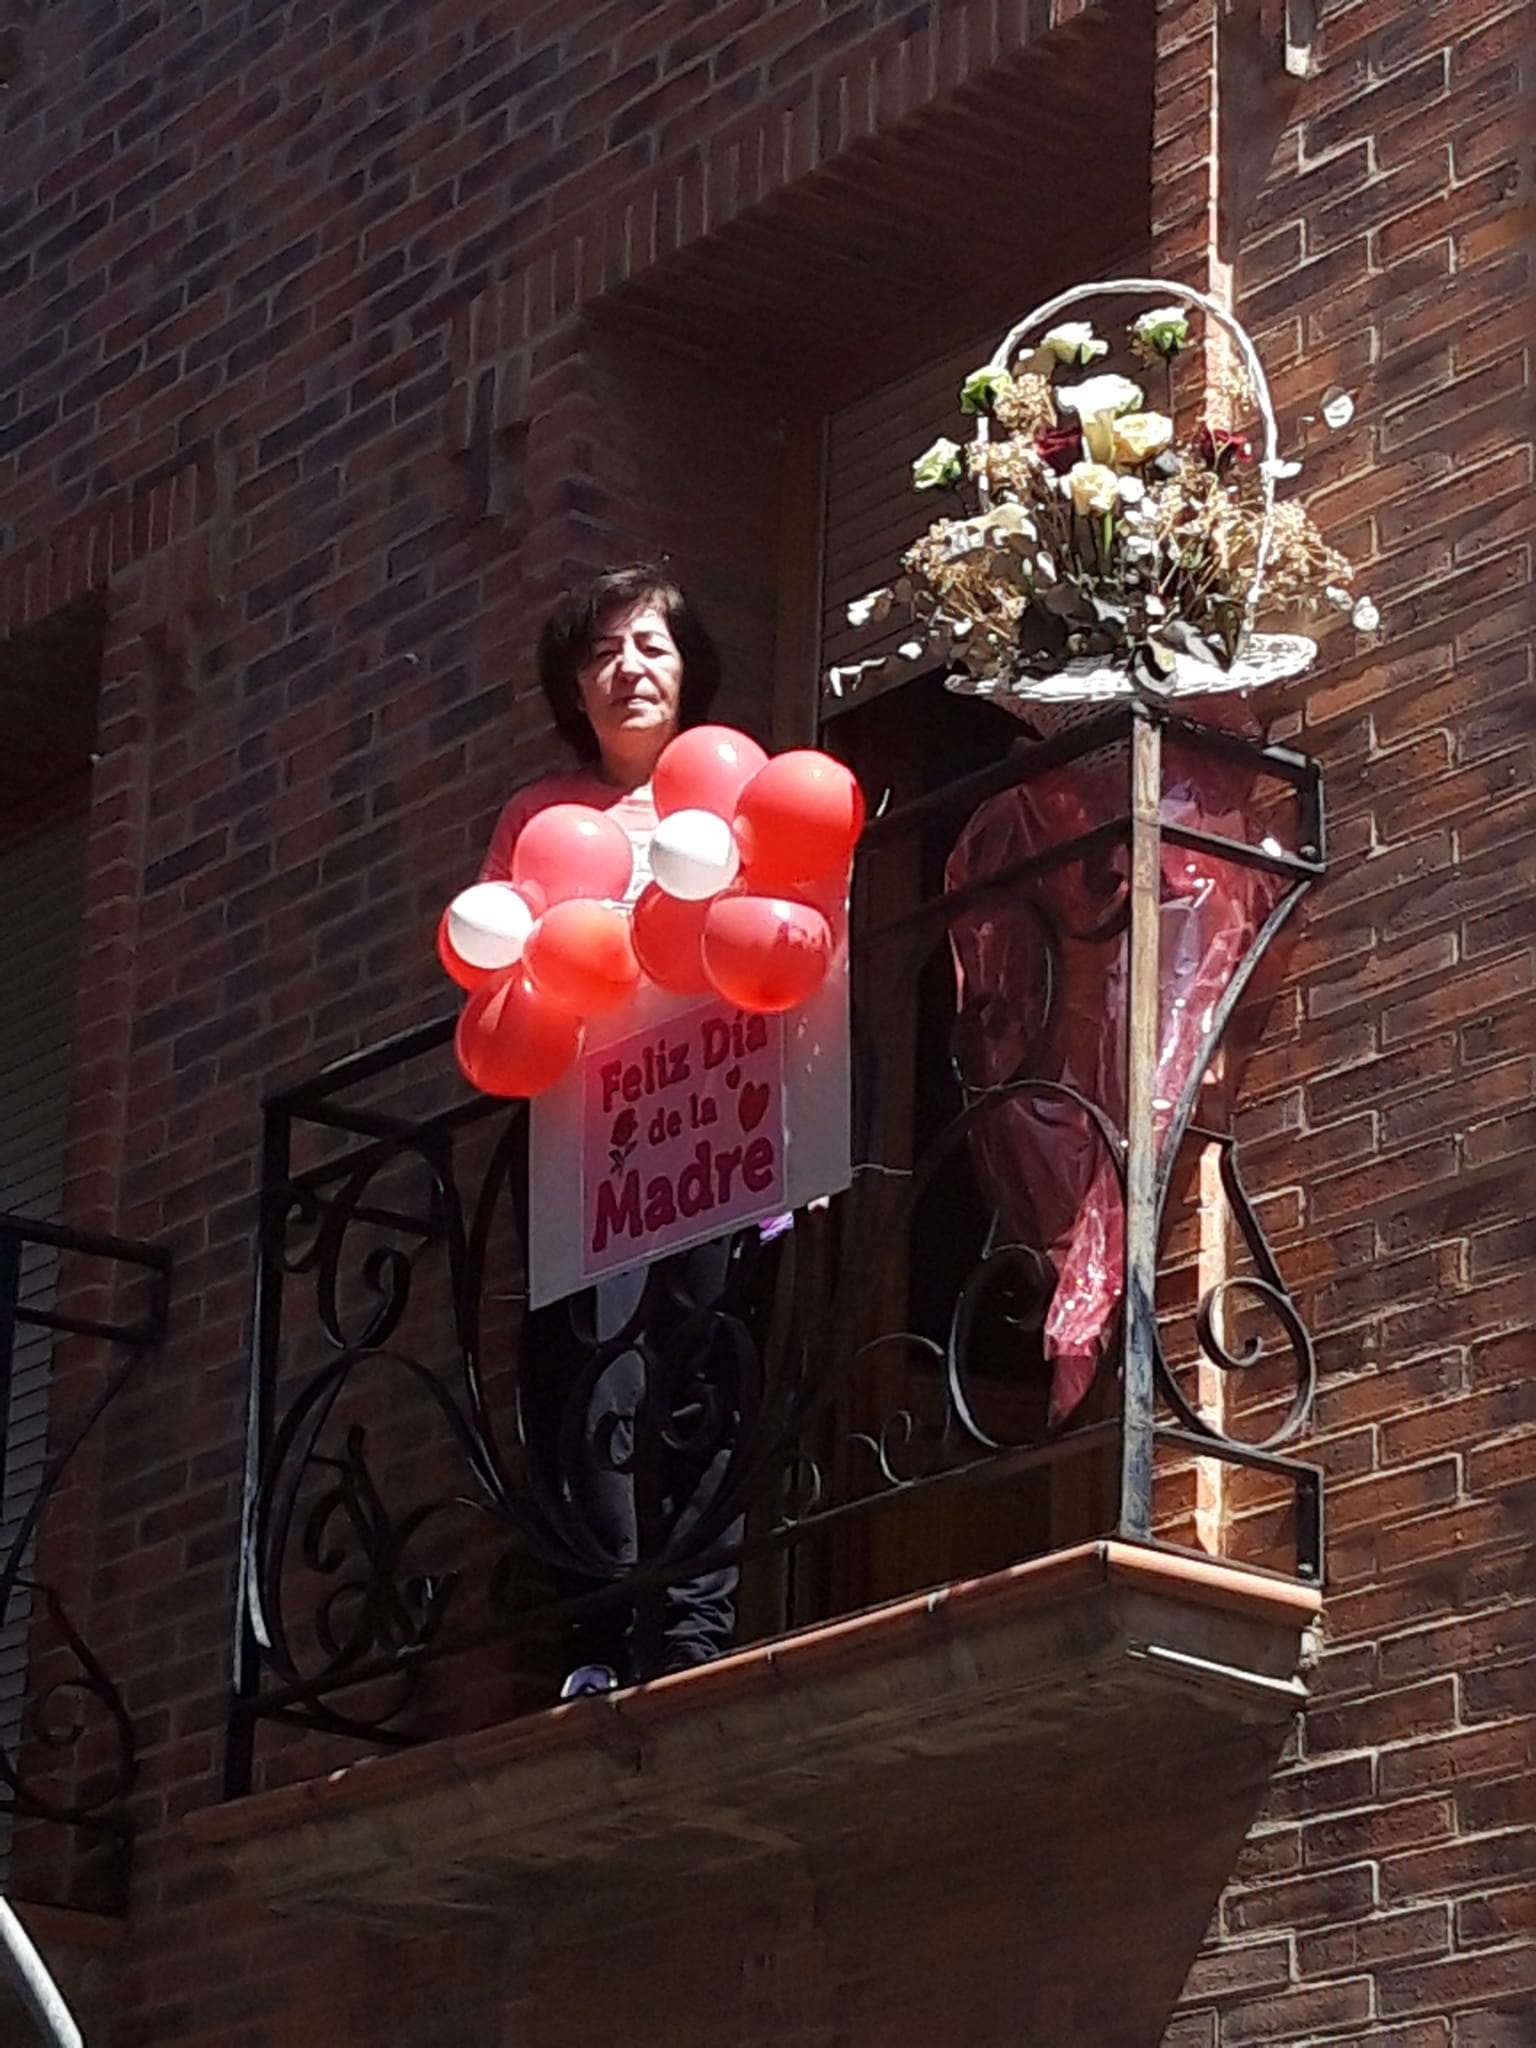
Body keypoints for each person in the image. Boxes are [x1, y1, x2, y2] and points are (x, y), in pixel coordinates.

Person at [481, 564, 759, 1701]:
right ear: (573, 687)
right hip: (590, 1148)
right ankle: (597, 1631)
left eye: (651, 643)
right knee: (595, 1387)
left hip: (719, 1129)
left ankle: (693, 1627)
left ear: (688, 668)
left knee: (706, 1374)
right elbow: (501, 960)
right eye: (602, 651)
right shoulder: (542, 818)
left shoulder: (737, 795)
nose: (629, 667)